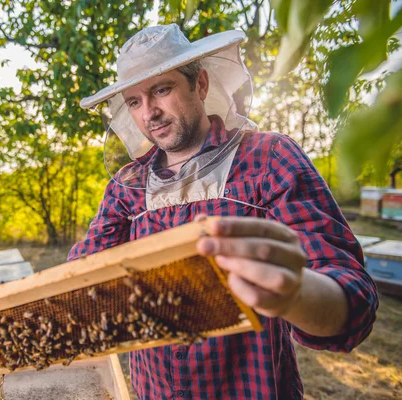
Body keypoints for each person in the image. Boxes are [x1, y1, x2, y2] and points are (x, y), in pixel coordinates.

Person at [67, 24, 378, 399]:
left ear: (200, 84)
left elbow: (352, 297)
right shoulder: (125, 188)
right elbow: (76, 283)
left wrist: (294, 293)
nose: (149, 112)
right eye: (134, 101)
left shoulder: (269, 158)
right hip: (154, 390)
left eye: (161, 89)